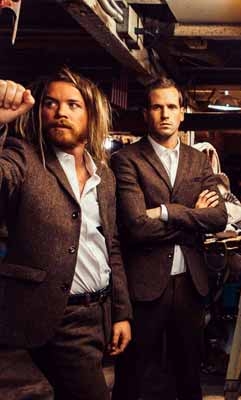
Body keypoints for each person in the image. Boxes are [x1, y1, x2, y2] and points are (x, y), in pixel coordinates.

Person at [0, 69, 132, 400]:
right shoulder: (23, 156)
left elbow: (110, 246)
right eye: (51, 103)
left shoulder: (103, 174)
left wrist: (121, 313)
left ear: (91, 115)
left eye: (73, 105)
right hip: (55, 313)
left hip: (98, 311)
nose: (60, 112)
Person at [110, 77, 227, 400]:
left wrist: (163, 211)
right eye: (157, 107)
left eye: (171, 107)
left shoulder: (198, 160)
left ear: (182, 113)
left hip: (190, 283)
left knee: (188, 376)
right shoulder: (126, 159)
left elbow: (219, 217)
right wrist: (192, 217)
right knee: (133, 377)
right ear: (145, 113)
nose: (165, 114)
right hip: (145, 286)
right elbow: (136, 225)